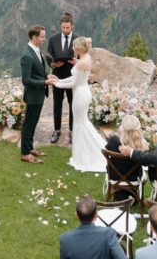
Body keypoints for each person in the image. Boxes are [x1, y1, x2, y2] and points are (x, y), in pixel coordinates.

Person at [47, 36, 107, 172]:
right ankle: (83, 154)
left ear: (79, 48)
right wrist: (59, 80)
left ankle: (85, 156)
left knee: (81, 124)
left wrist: (57, 83)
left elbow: (74, 82)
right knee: (81, 123)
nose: (72, 49)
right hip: (83, 91)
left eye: (74, 47)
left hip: (80, 94)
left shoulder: (80, 63)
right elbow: (75, 79)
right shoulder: (86, 58)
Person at [46, 12, 78, 144]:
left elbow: (82, 57)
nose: (65, 30)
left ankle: (72, 131)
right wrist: (53, 64)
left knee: (72, 104)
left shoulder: (77, 39)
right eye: (63, 28)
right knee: (57, 104)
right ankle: (57, 130)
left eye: (67, 28)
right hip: (57, 76)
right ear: (60, 26)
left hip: (72, 77)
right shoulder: (53, 39)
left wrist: (77, 62)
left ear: (72, 26)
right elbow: (48, 56)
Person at [20, 25, 50, 164]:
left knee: (33, 123)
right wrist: (45, 82)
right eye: (42, 36)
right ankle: (25, 153)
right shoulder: (27, 55)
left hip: (39, 94)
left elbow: (39, 72)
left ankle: (30, 148)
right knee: (28, 124)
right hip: (32, 95)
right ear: (34, 37)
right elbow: (26, 80)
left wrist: (48, 77)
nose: (44, 39)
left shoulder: (36, 50)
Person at [104, 115, 148, 199]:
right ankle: (133, 195)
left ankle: (122, 195)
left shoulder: (113, 140)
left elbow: (107, 149)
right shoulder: (143, 144)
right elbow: (146, 163)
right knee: (144, 175)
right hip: (134, 179)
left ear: (123, 128)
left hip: (114, 177)